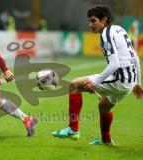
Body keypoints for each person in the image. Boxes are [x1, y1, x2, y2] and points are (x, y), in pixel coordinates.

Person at [52, 5, 143, 145]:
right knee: (103, 106)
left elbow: (114, 64)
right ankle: (106, 140)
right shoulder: (120, 29)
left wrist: (96, 82)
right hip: (129, 82)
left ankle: (73, 129)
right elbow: (135, 57)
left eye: (93, 21)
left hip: (120, 79)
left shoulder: (106, 35)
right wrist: (138, 82)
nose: (90, 25)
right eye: (89, 21)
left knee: (74, 85)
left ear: (104, 19)